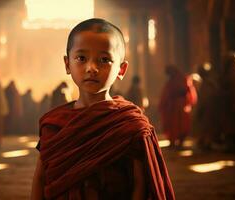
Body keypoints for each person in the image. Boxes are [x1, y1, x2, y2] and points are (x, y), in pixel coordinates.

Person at [31, 18, 175, 200]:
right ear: (68, 64)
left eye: (104, 59)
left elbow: (140, 185)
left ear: (121, 70)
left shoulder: (131, 125)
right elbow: (40, 179)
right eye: (81, 58)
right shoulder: (53, 124)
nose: (91, 68)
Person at [159, 65, 197, 149]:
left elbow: (187, 90)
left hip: (181, 105)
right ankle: (173, 141)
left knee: (181, 123)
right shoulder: (172, 81)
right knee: (174, 124)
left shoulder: (183, 79)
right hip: (174, 106)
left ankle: (180, 141)